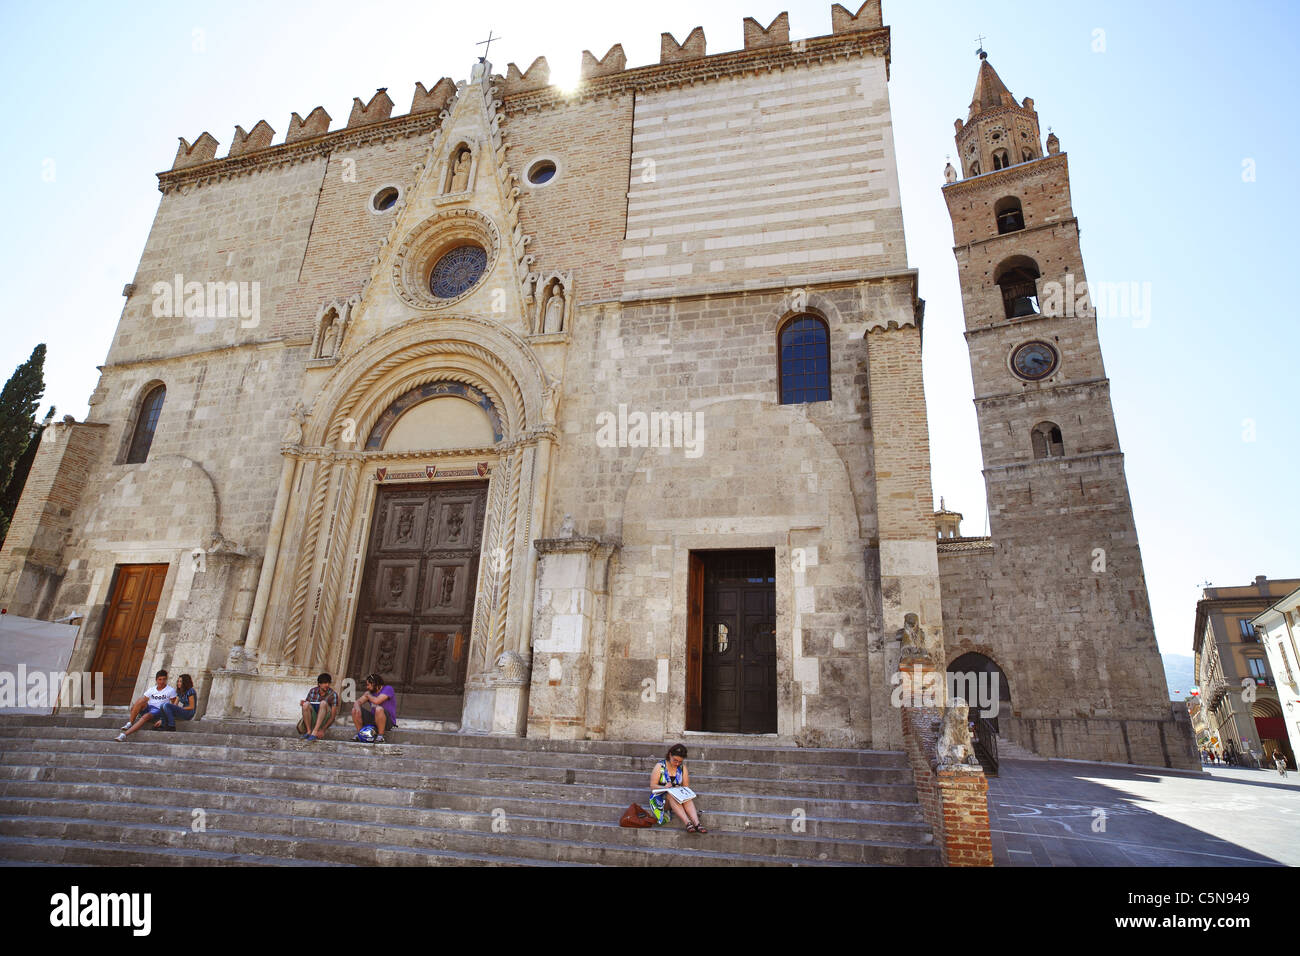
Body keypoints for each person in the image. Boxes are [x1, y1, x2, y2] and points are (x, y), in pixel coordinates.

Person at [649, 743, 707, 834]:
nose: (677, 763)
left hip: (677, 797)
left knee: (687, 798)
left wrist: (679, 790)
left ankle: (697, 824)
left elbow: (686, 787)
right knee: (670, 795)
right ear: (670, 755)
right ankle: (687, 823)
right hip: (662, 800)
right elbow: (652, 786)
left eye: (680, 761)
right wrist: (664, 787)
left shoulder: (682, 768)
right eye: (675, 760)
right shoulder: (660, 766)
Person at [116, 670, 176, 741]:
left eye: (164, 679)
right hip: (149, 708)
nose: (162, 682)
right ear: (156, 680)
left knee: (146, 715)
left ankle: (124, 735)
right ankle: (130, 723)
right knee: (140, 700)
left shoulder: (170, 690)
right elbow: (142, 702)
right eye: (160, 679)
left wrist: (163, 719)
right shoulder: (152, 689)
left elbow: (174, 706)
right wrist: (135, 708)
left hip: (158, 710)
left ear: (166, 680)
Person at [351, 673, 397, 743]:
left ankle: (380, 736)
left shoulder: (388, 689)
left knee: (378, 709)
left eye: (368, 685)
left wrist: (368, 696)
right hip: (373, 720)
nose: (367, 687)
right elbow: (357, 702)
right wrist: (357, 709)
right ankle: (361, 734)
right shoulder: (370, 693)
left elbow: (377, 701)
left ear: (374, 683)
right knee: (355, 709)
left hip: (387, 721)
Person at [299, 672, 339, 742]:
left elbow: (333, 716)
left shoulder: (333, 694)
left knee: (323, 703)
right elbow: (307, 707)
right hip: (313, 717)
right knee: (306, 704)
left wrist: (323, 730)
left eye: (328, 683)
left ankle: (315, 731)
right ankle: (308, 731)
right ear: (319, 684)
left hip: (325, 718)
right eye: (325, 683)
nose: (327, 685)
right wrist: (303, 703)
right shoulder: (313, 691)